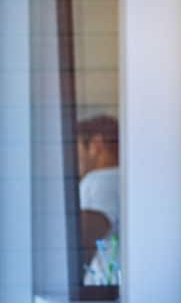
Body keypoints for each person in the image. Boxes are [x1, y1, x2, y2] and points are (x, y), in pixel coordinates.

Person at [76, 115, 120, 285]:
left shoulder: (98, 181)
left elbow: (83, 237)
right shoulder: (129, 180)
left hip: (103, 287)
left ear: (96, 145)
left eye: (77, 146)